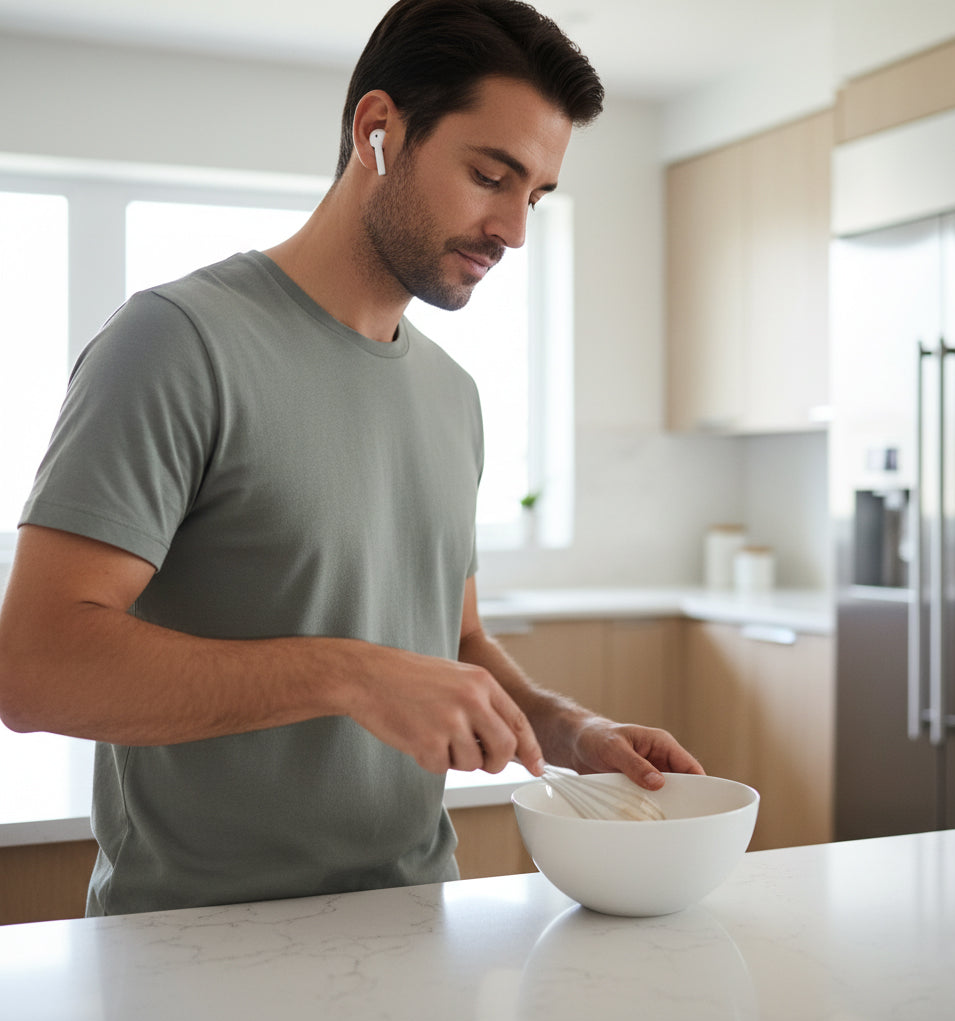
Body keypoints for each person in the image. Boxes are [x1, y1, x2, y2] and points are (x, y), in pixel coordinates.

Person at [0, 0, 703, 917]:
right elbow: (35, 668)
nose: (514, 230)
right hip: (194, 949)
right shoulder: (175, 343)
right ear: (378, 130)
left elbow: (453, 645)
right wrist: (349, 673)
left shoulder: (453, 396)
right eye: (491, 175)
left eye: (534, 195)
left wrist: (574, 729)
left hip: (415, 926)